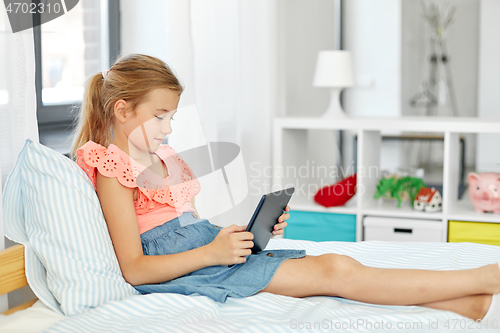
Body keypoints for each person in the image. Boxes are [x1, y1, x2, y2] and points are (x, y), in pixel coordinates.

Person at [71, 53, 499, 323]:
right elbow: (134, 268)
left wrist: (244, 235)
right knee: (335, 269)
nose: (168, 128)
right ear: (122, 110)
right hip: (187, 269)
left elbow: (190, 226)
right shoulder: (111, 168)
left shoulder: (165, 159)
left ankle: (467, 304)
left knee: (334, 270)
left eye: (172, 117)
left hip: (207, 256)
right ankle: (484, 277)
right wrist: (213, 253)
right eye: (159, 116)